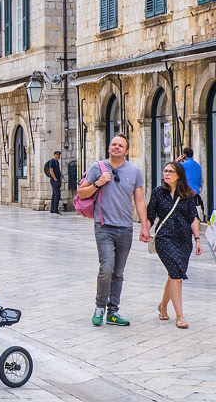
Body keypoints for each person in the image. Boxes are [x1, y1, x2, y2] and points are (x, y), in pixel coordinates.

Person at [77, 134, 149, 327]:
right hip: (104, 226)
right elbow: (81, 193)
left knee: (118, 272)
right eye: (114, 144)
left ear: (126, 151)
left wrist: (144, 225)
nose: (116, 147)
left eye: (121, 145)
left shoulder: (134, 171)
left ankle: (113, 311)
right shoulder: (97, 167)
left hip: (125, 228)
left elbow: (139, 200)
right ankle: (100, 307)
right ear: (109, 148)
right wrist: (97, 183)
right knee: (106, 267)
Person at [144, 161, 202, 329]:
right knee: (176, 275)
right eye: (165, 171)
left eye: (171, 171)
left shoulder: (189, 194)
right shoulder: (157, 193)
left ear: (179, 175)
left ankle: (163, 306)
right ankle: (180, 317)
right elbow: (150, 215)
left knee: (173, 275)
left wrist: (197, 239)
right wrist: (145, 230)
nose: (167, 174)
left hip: (184, 240)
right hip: (165, 238)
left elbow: (193, 218)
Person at [178, 148, 204, 219]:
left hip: (186, 191)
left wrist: (178, 161)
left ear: (184, 155)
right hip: (196, 191)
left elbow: (173, 169)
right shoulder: (198, 165)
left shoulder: (184, 164)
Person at [48, 150, 63, 215]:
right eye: (57, 155)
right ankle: (55, 209)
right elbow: (51, 171)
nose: (58, 156)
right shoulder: (52, 161)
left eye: (59, 155)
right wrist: (55, 179)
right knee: (57, 194)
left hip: (57, 179)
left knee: (54, 194)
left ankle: (52, 209)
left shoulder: (57, 162)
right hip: (54, 180)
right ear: (54, 155)